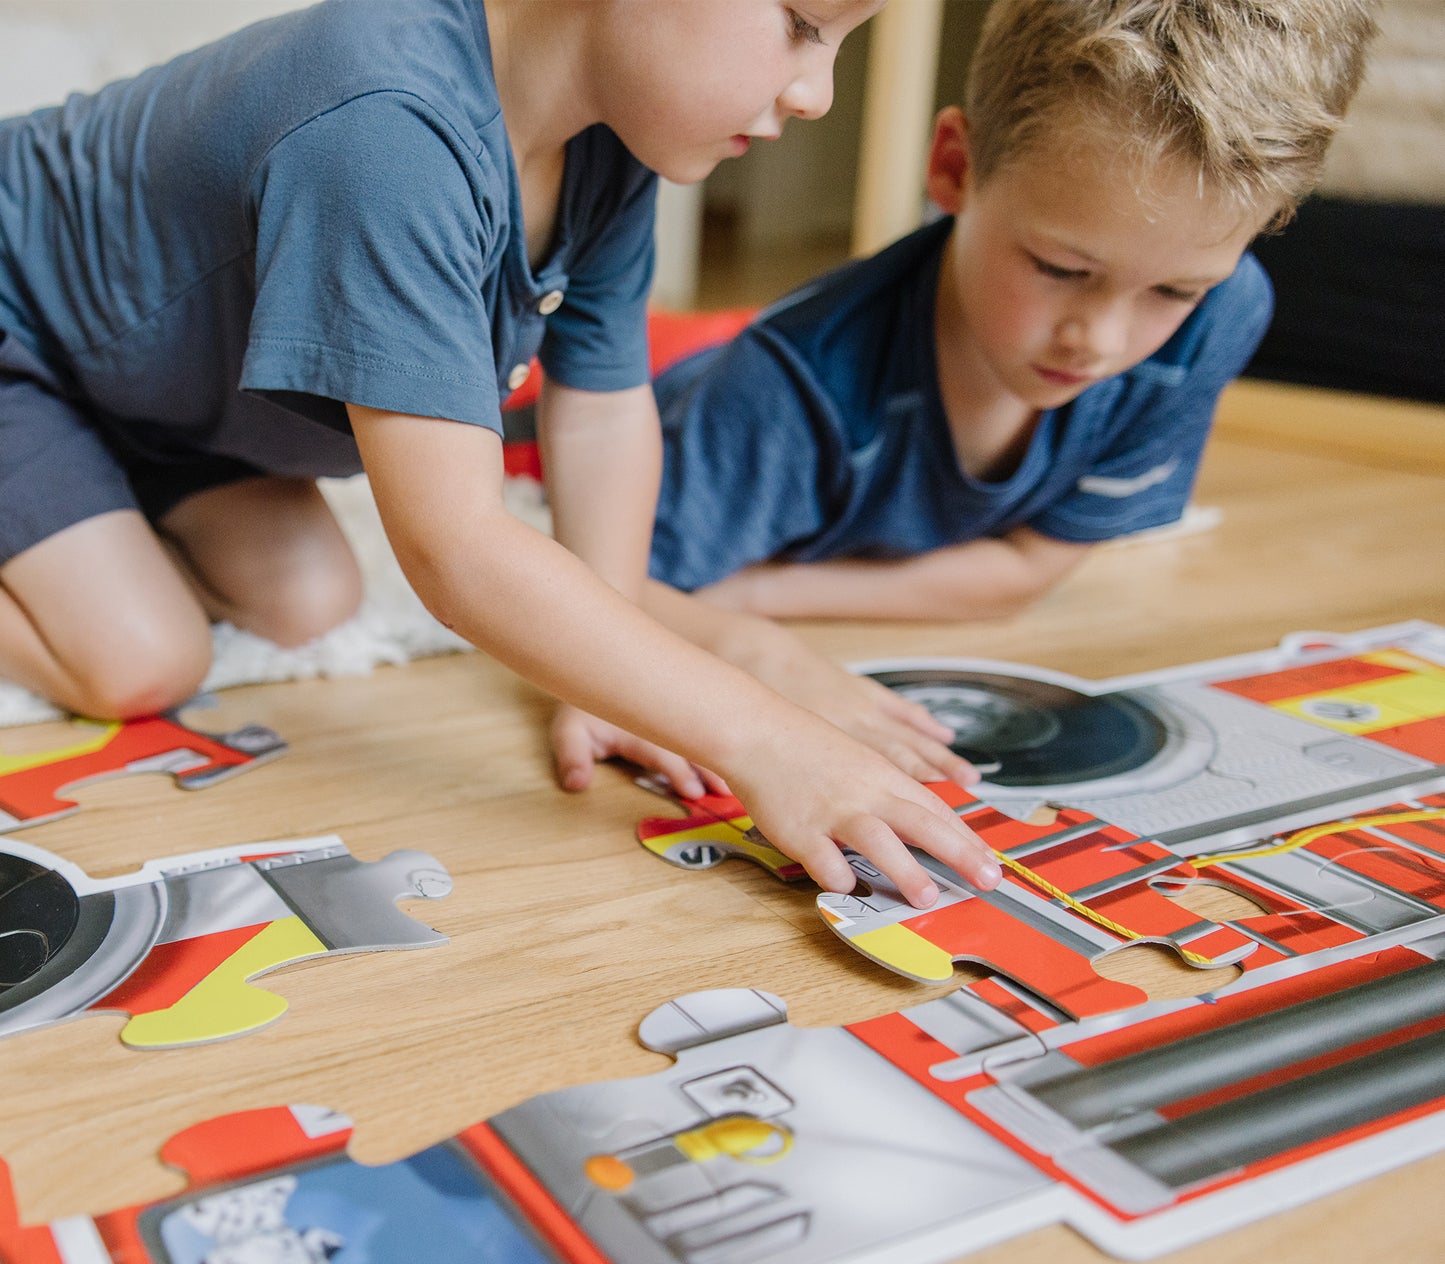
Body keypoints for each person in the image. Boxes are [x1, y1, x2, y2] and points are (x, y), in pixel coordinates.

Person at [0, 0, 1003, 909]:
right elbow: (455, 550)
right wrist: (762, 738)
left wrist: (601, 680)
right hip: (20, 332)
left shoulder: (609, 138)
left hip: (150, 395)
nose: (816, 92)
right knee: (140, 658)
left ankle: (74, 507)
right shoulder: (384, 125)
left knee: (305, 599)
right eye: (797, 24)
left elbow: (603, 409)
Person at [646, 0, 1380, 624]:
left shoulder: (1223, 310)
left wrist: (760, 593)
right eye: (1060, 269)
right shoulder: (781, 392)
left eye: (1174, 292)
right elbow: (622, 594)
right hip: (694, 398)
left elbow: (1029, 567)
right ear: (954, 169)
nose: (1099, 340)